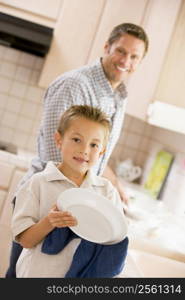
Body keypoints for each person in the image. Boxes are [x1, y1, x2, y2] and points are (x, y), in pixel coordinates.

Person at [6, 22, 149, 277]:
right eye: (121, 51)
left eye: (134, 56)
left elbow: (95, 151)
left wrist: (110, 184)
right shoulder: (75, 84)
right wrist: (88, 197)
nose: (126, 60)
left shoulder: (118, 94)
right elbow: (61, 156)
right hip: (48, 201)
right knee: (25, 274)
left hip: (82, 203)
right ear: (106, 47)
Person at [11, 105, 129, 278]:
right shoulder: (38, 183)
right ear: (59, 140)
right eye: (76, 140)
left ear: (102, 151)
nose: (85, 150)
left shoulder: (106, 191)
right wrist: (49, 222)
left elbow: (114, 239)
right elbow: (25, 241)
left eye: (94, 144)